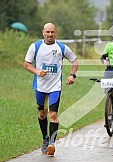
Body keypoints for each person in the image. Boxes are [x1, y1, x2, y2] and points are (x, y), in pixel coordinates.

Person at [23, 23, 78, 155]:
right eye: (47, 32)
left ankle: (52, 144)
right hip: (40, 87)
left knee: (53, 115)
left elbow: (74, 60)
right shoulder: (35, 46)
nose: (50, 34)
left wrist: (72, 75)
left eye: (52, 32)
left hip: (55, 87)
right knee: (42, 114)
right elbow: (26, 64)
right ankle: (45, 138)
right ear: (43, 33)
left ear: (56, 33)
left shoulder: (61, 47)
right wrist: (36, 71)